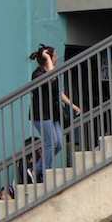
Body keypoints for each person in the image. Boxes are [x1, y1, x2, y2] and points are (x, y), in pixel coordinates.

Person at [29, 46, 80, 185]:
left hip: (52, 114)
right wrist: (47, 59)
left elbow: (58, 91)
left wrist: (71, 104)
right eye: (55, 56)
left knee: (57, 144)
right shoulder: (38, 74)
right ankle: (42, 171)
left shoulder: (49, 73)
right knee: (50, 142)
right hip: (41, 114)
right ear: (48, 59)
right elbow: (51, 78)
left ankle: (38, 169)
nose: (57, 58)